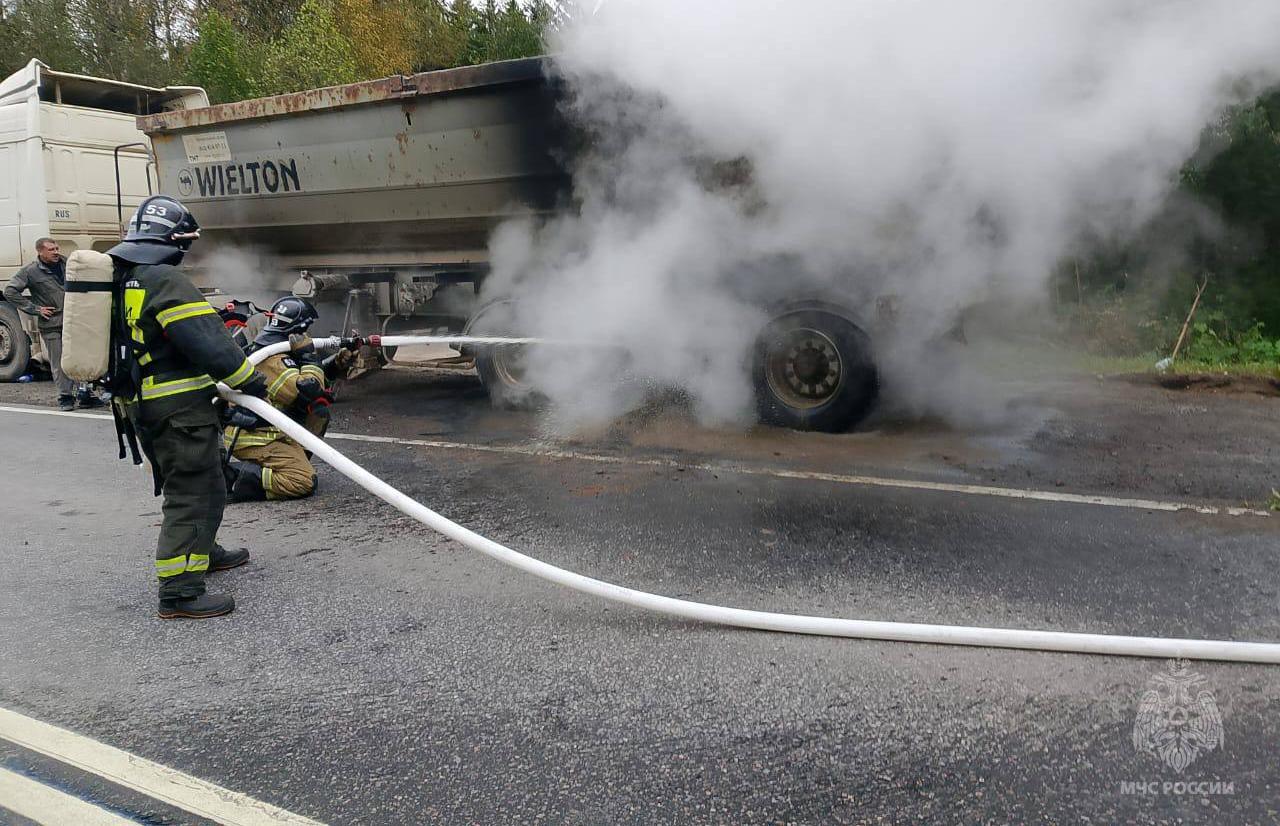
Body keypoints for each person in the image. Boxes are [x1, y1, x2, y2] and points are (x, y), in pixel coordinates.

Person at [106, 195, 269, 620]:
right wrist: (249, 382)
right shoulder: (164, 279)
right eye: (185, 242)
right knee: (191, 494)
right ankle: (178, 592)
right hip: (178, 412)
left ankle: (203, 552)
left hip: (147, 406)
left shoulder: (123, 275)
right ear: (171, 241)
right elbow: (207, 341)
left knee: (209, 483)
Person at [223, 296, 356, 502]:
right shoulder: (272, 360)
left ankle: (293, 460)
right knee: (302, 481)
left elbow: (309, 385)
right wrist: (308, 357)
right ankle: (234, 476)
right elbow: (306, 391)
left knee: (319, 414)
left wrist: (338, 363)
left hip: (270, 431)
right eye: (305, 330)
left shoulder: (277, 350)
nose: (308, 335)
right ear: (296, 331)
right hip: (256, 438)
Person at [3, 238, 102, 410]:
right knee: (59, 362)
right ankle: (65, 397)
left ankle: (85, 394)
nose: (56, 251)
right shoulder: (30, 271)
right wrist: (35, 309)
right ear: (40, 252)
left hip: (75, 321)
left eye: (56, 248)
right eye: (51, 249)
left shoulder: (69, 264)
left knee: (80, 358)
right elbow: (10, 291)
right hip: (52, 325)